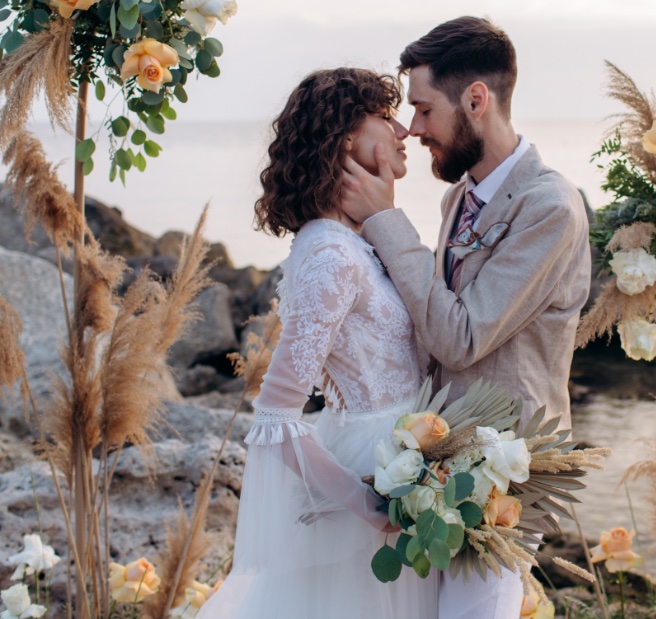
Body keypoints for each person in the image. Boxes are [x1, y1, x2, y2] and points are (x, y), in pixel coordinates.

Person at [340, 16, 592, 619]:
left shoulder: (550, 208)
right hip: (441, 460)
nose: (413, 128)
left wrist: (385, 222)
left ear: (475, 99)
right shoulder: (461, 194)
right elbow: (433, 313)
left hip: (506, 471)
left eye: (424, 109)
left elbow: (462, 335)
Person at [196, 68, 437, 619]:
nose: (403, 131)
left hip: (404, 454)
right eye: (384, 116)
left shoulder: (352, 242)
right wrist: (366, 503)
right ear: (346, 136)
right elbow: (275, 415)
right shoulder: (330, 254)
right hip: (375, 472)